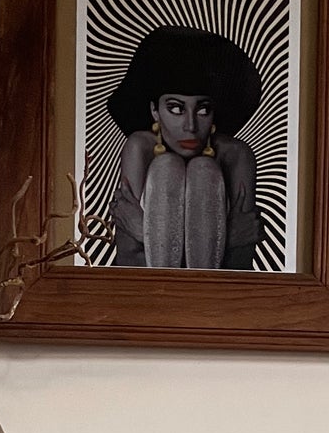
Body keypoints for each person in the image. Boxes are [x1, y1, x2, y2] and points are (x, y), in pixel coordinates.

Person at [106, 26, 265, 271]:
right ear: (154, 111)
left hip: (216, 302)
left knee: (204, 170)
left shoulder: (234, 155)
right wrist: (222, 238)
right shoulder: (140, 148)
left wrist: (143, 229)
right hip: (146, 298)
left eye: (202, 109)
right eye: (176, 109)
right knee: (166, 166)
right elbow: (130, 262)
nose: (190, 126)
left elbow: (239, 268)